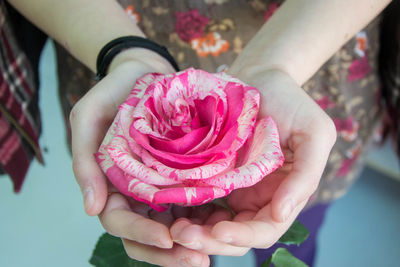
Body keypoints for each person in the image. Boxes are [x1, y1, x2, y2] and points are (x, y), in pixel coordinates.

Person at [3, 0, 395, 266]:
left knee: (290, 216)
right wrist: (124, 52)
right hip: (101, 31)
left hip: (312, 47)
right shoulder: (124, 119)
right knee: (182, 245)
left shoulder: (272, 134)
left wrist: (276, 64)